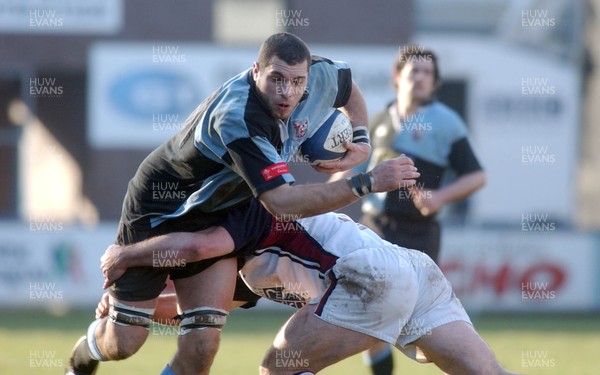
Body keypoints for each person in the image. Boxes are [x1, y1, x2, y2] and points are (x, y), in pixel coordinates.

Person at [67, 32, 420, 375]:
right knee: (125, 342)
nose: (287, 92)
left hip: (222, 209)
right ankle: (82, 357)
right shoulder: (240, 118)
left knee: (202, 346)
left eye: (297, 82)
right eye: (276, 79)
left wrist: (360, 137)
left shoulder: (319, 75)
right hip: (160, 210)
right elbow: (281, 202)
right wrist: (367, 182)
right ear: (256, 71)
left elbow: (348, 86)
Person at [97, 198, 515, 375]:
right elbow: (201, 312)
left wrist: (126, 257)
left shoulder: (239, 220)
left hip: (370, 277)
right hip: (411, 270)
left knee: (275, 369)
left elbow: (199, 246)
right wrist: (129, 313)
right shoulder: (245, 270)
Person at [336, 45, 486, 375]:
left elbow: (476, 175)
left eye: (427, 73)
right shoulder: (376, 120)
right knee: (371, 318)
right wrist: (329, 189)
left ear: (435, 82)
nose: (419, 78)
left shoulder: (446, 123)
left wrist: (441, 197)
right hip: (374, 227)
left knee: (426, 330)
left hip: (420, 234)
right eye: (413, 71)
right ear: (397, 77)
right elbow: (351, 168)